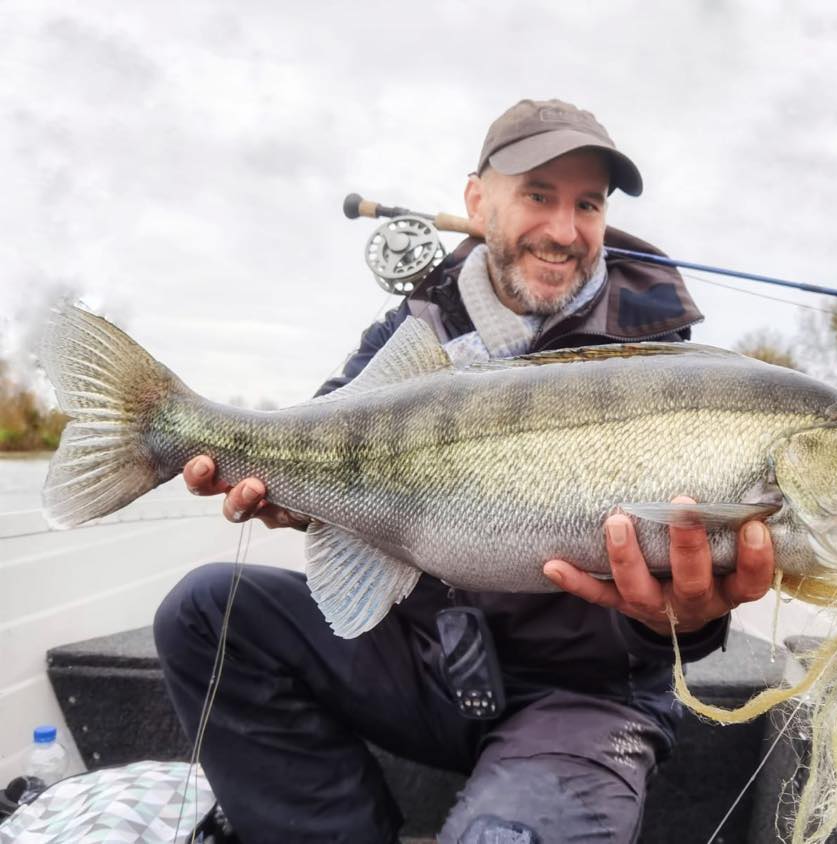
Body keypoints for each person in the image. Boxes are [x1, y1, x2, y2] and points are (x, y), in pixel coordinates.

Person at [153, 99, 776, 844]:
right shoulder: (413, 330)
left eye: (587, 203)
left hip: (582, 696)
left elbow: (693, 604)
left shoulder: (665, 366)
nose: (563, 229)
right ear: (477, 201)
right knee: (206, 609)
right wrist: (290, 497)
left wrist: (687, 624)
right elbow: (321, 429)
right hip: (424, 660)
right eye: (537, 194)